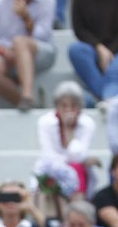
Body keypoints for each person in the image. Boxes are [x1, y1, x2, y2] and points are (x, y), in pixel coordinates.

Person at [35, 81, 96, 216]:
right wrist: (65, 167)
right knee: (50, 175)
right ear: (57, 107)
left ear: (80, 107)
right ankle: (49, 220)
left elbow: (78, 156)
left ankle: (77, 215)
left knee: (77, 168)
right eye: (64, 106)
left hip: (76, 168)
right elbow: (48, 153)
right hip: (51, 166)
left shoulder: (87, 123)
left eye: (73, 106)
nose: (68, 110)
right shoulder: (45, 122)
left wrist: (68, 130)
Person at [66, 0, 118, 104]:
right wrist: (99, 48)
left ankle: (104, 98)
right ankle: (107, 97)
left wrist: (110, 51)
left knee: (115, 69)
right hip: (93, 49)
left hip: (116, 49)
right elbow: (79, 29)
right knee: (75, 50)